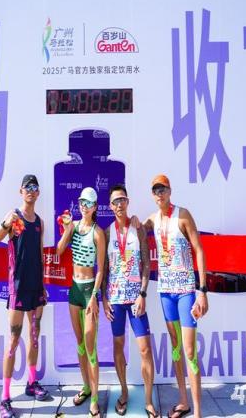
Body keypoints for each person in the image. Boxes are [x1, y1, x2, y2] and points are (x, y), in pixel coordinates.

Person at [142, 175, 208, 418]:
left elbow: (199, 250)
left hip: (186, 291)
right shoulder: (153, 219)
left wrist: (202, 291)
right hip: (166, 291)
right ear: (152, 195)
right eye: (155, 190)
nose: (159, 194)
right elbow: (134, 230)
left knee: (190, 350)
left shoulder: (183, 215)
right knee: (176, 347)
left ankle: (198, 412)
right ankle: (183, 400)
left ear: (170, 191)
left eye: (163, 190)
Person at [0, 174, 49, 418]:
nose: (31, 191)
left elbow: (40, 255)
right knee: (14, 341)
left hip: (36, 288)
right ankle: (4, 398)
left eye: (35, 187)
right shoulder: (14, 217)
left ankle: (31, 382)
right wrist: (5, 225)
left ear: (38, 192)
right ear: (21, 191)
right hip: (18, 288)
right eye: (27, 187)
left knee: (34, 337)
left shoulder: (40, 222)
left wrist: (43, 284)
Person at [101, 184, 159, 417]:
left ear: (128, 202)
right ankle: (124, 392)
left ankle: (148, 400)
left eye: (122, 200)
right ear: (110, 206)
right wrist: (104, 299)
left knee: (145, 349)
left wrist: (143, 293)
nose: (119, 205)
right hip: (115, 299)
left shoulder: (138, 229)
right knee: (118, 346)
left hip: (136, 300)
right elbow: (103, 269)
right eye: (115, 201)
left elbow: (146, 264)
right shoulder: (106, 233)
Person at [56, 187, 106, 418]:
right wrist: (68, 229)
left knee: (90, 347)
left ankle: (94, 400)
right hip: (74, 290)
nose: (84, 206)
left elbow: (101, 269)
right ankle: (86, 387)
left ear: (95, 207)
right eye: (81, 202)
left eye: (88, 203)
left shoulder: (98, 233)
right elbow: (59, 250)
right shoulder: (74, 226)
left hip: (88, 292)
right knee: (79, 344)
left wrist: (94, 296)